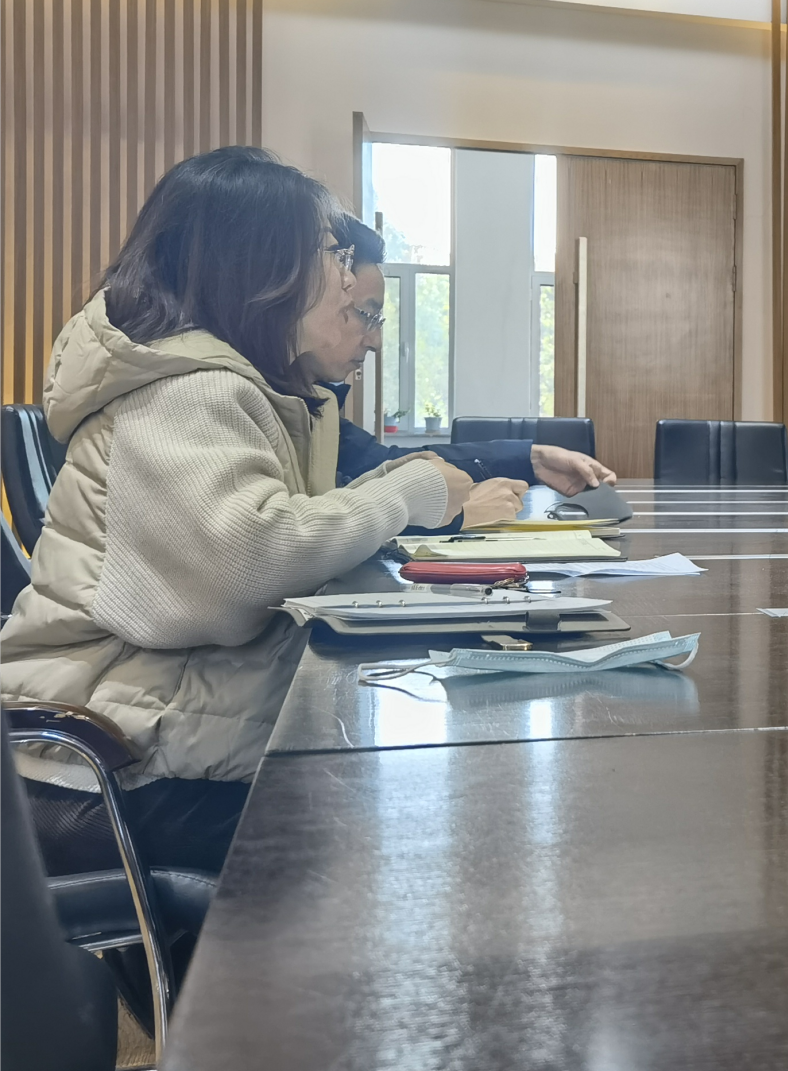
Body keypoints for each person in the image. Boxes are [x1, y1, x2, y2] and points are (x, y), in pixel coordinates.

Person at [1, 147, 470, 876]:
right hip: (104, 767)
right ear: (262, 262)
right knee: (411, 828)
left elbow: (275, 535)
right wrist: (408, 491)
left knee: (410, 787)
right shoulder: (184, 391)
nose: (347, 278)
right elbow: (253, 565)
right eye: (333, 253)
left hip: (158, 728)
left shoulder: (236, 387)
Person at [328, 214, 617, 505]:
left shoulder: (320, 407)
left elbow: (382, 465)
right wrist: (460, 515)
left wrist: (534, 459)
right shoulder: (303, 407)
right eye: (366, 315)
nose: (376, 342)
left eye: (377, 320)